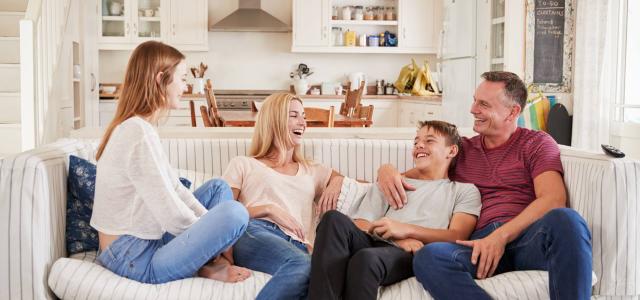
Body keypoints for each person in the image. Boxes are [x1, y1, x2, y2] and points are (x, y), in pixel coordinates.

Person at [377, 71, 592, 299]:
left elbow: (553, 198)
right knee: (429, 257)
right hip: (476, 245)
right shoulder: (462, 150)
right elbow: (408, 177)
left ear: (513, 112)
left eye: (483, 104)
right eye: (474, 100)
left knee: (568, 220)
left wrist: (500, 237)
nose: (472, 109)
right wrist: (386, 170)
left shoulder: (536, 143)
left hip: (525, 238)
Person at [91, 41, 250, 284]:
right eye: (183, 78)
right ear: (160, 79)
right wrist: (209, 235)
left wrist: (209, 233)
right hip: (134, 258)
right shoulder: (137, 133)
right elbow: (171, 215)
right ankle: (210, 264)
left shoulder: (140, 127)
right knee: (235, 213)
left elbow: (175, 188)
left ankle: (210, 262)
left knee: (218, 187)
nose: (185, 87)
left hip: (137, 244)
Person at [309, 120, 482, 300]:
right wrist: (397, 238)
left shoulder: (463, 190)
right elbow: (361, 224)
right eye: (416, 142)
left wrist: (405, 230)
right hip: (379, 240)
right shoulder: (392, 182)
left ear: (452, 151)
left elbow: (457, 235)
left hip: (411, 253)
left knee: (366, 259)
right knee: (332, 219)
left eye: (429, 141)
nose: (419, 145)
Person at [222, 93, 344, 300]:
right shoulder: (243, 163)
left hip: (298, 244)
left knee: (318, 283)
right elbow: (222, 214)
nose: (303, 122)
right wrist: (268, 209)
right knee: (303, 264)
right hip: (254, 230)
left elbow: (354, 184)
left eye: (304, 116)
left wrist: (338, 180)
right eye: (294, 115)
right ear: (274, 120)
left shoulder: (311, 169)